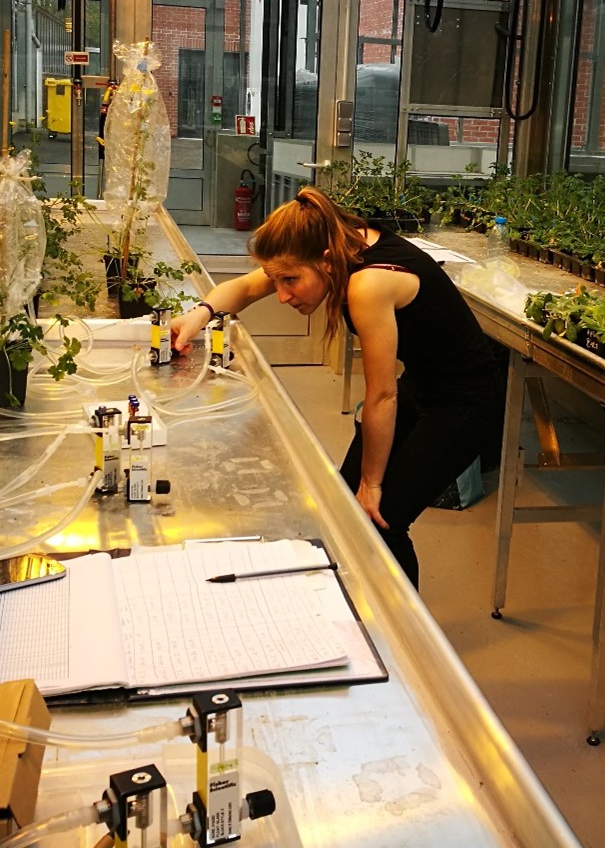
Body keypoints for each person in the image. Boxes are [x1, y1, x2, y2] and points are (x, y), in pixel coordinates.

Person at [170, 186, 505, 587]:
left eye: (291, 280)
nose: (281, 295)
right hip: (426, 381)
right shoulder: (331, 243)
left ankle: (399, 642)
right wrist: (198, 315)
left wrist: (373, 483)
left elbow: (381, 395)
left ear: (326, 262)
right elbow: (242, 289)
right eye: (277, 281)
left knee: (382, 521)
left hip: (467, 403)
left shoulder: (368, 285)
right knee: (349, 510)